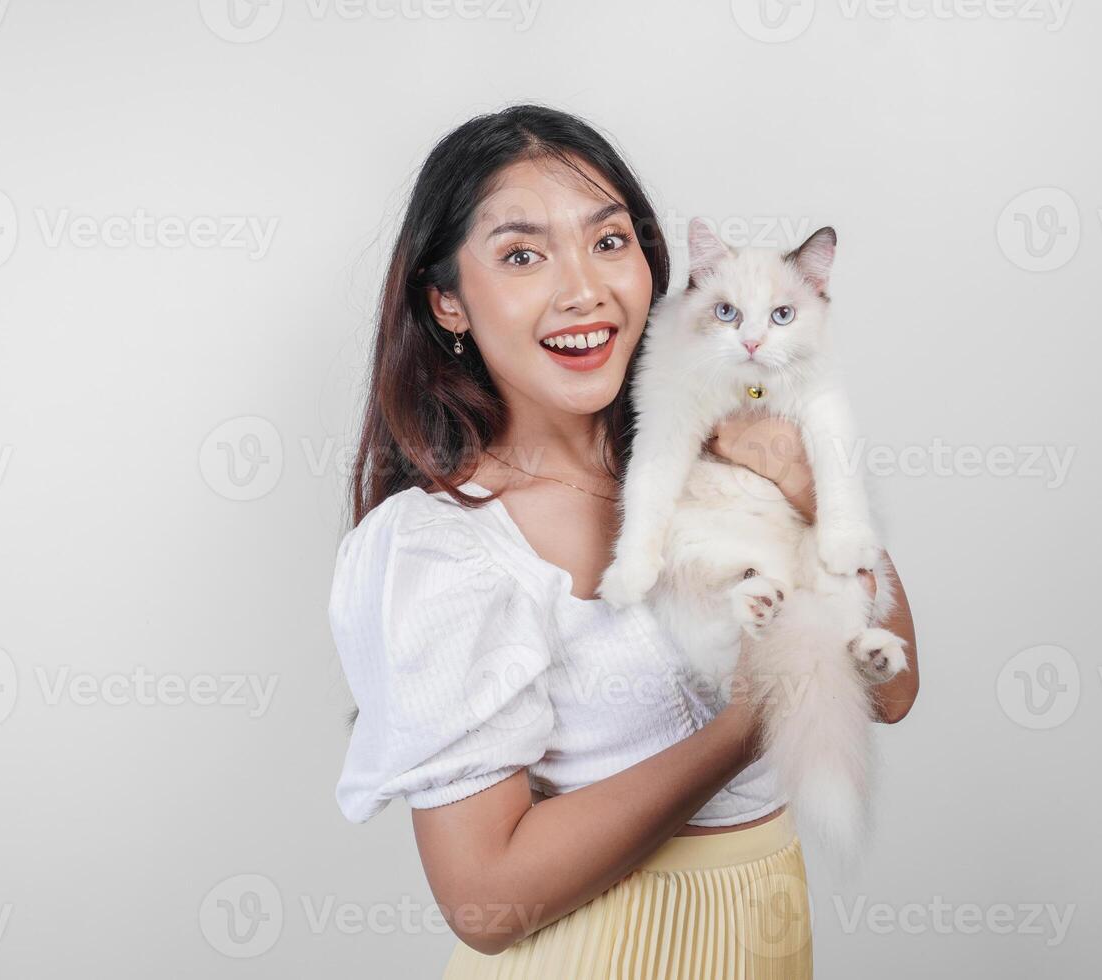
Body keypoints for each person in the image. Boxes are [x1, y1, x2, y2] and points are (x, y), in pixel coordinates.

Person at [330, 103, 920, 977]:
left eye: (609, 242)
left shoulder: (727, 435)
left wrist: (807, 486)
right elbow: (483, 900)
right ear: (447, 300)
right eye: (522, 255)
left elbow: (893, 690)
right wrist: (749, 719)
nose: (585, 291)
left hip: (762, 940)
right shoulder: (441, 548)